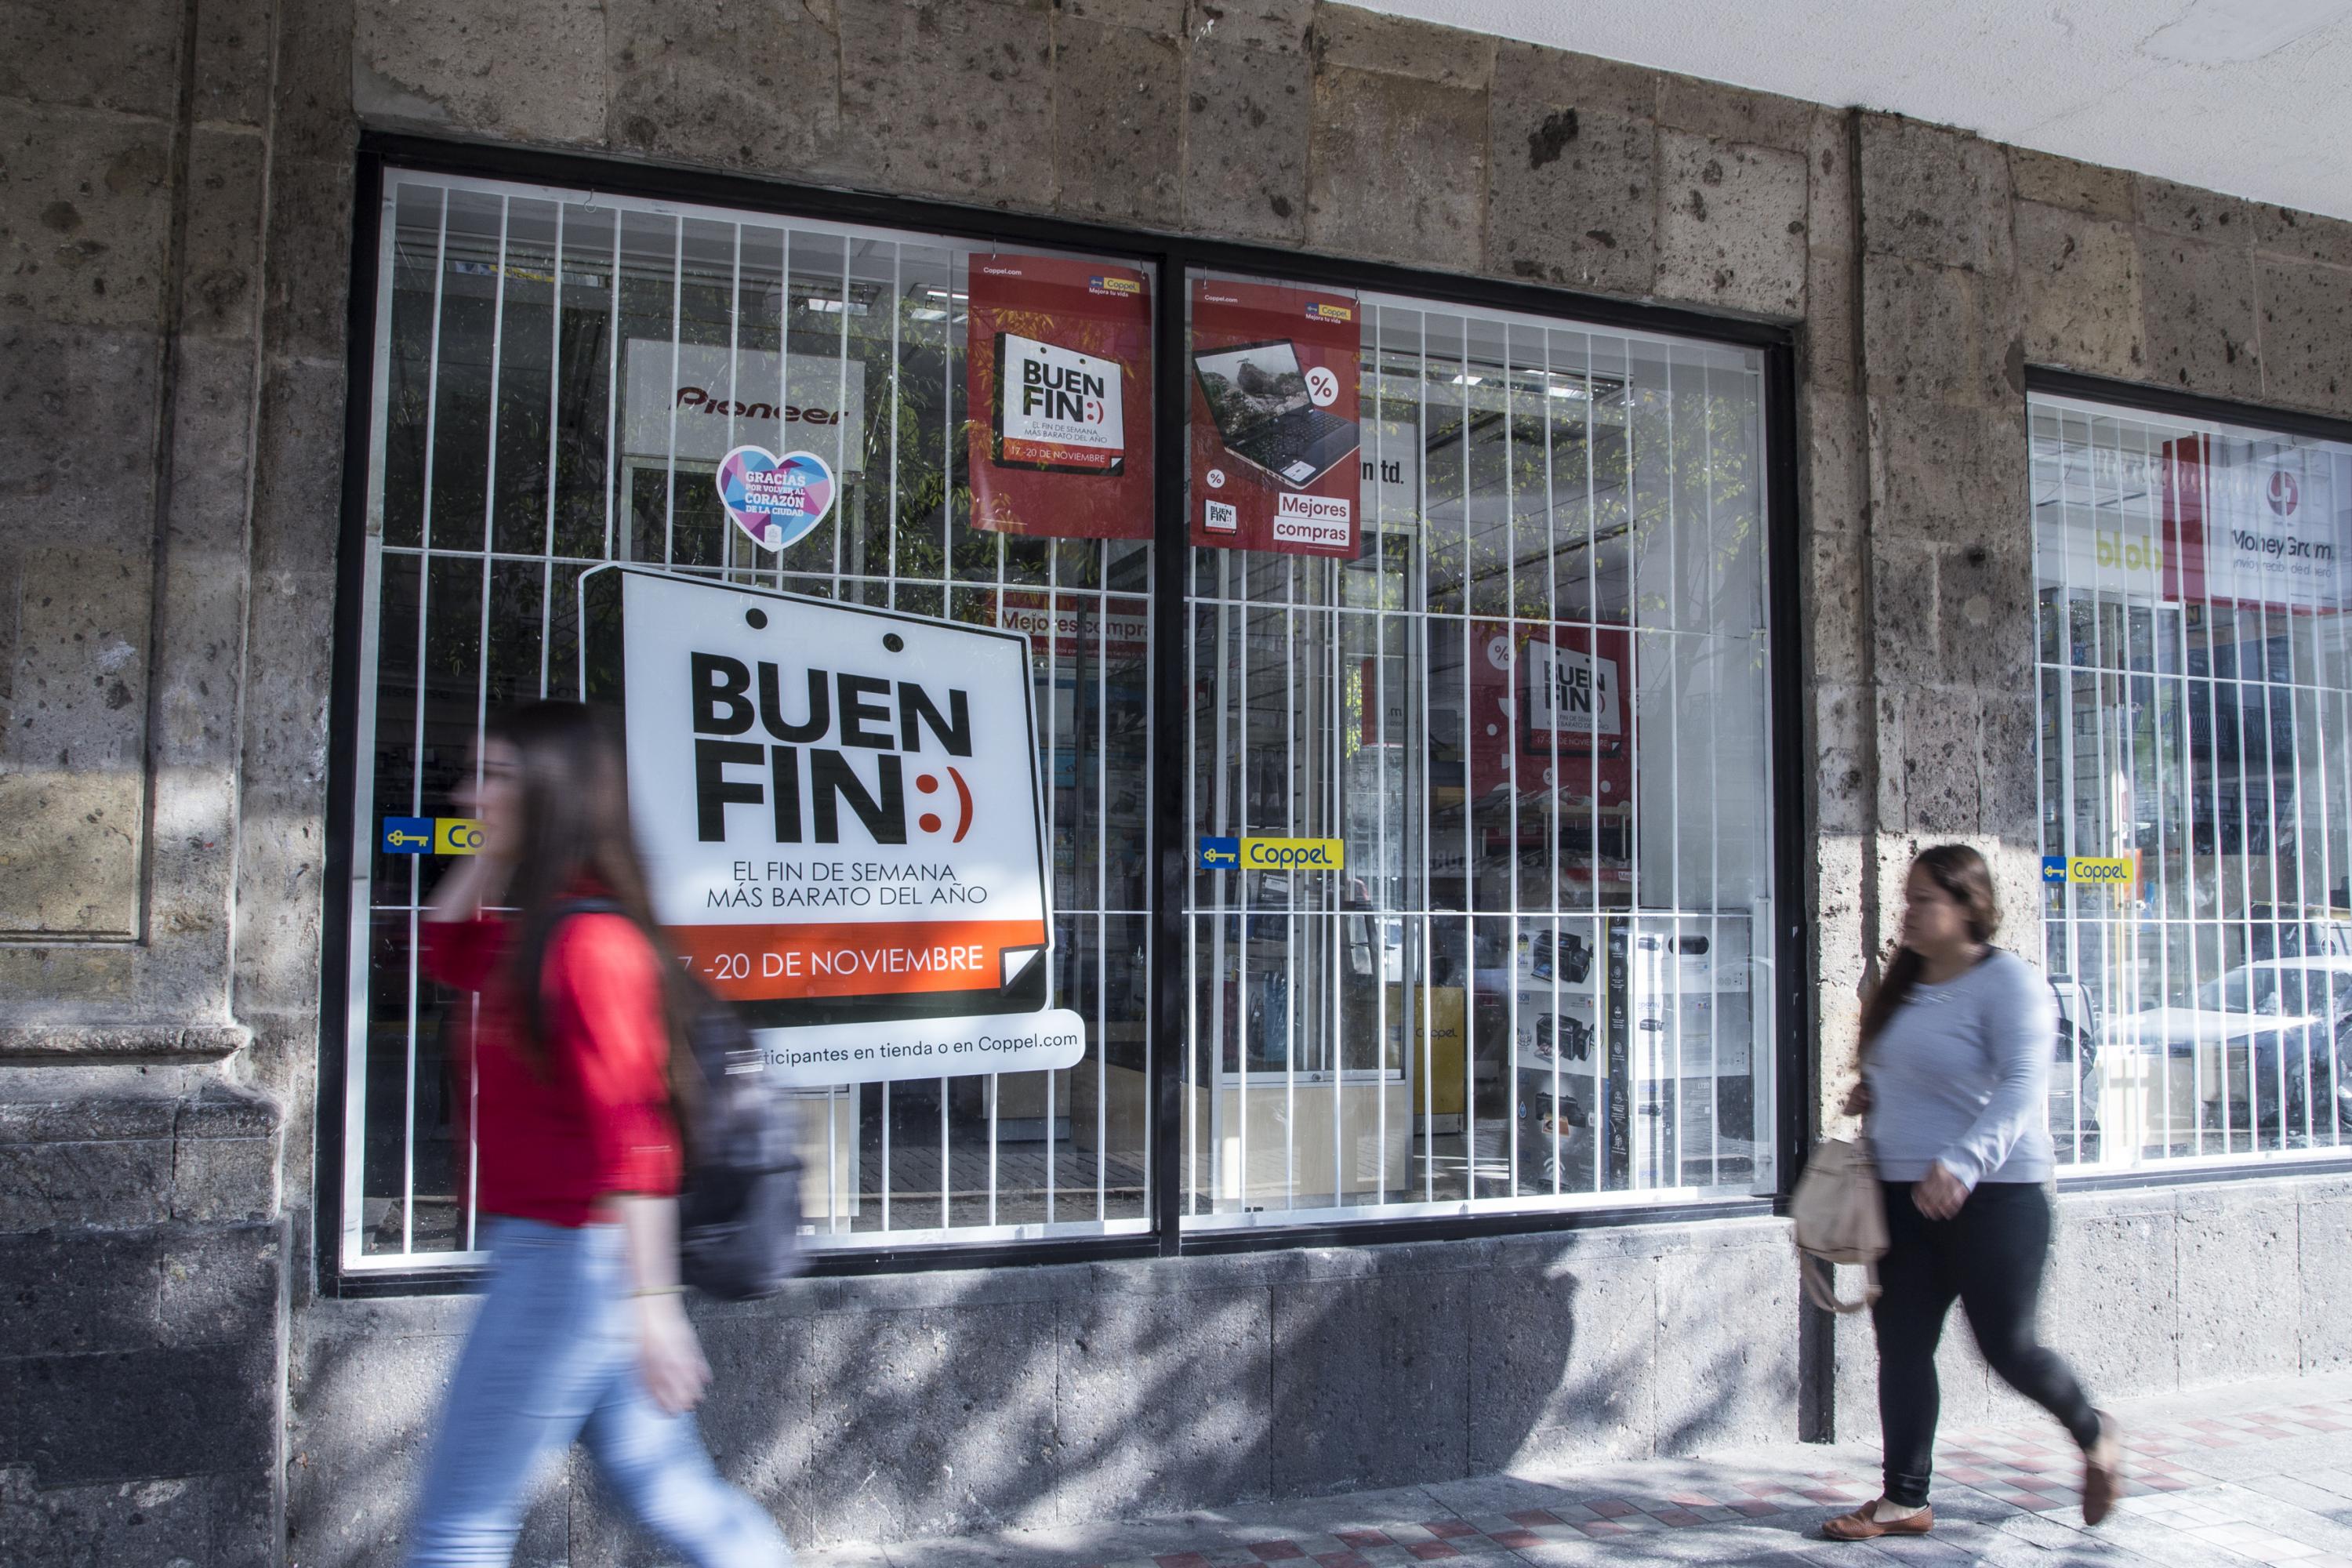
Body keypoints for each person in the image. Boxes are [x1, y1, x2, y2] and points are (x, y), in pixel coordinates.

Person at [406, 701, 790, 1568]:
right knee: (676, 1496)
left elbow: (637, 1140)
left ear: (552, 792)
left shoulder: (588, 944)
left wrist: (654, 1308)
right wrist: (488, 848)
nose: (467, 794)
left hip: (567, 1262)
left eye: (495, 775)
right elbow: (444, 950)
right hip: (566, 1259)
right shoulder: (541, 927)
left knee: (457, 1526)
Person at [1823, 844, 2122, 1541]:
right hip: (1902, 1195)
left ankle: (2094, 1431)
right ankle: (1905, 1500)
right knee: (1901, 1346)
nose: (1909, 912)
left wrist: (1963, 1163)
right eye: (1908, 898)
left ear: (1968, 906)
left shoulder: (2010, 983)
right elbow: (1913, 1071)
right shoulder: (1905, 980)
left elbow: (2022, 1086)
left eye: (1925, 900)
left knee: (2008, 1347)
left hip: (1995, 1195)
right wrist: (1875, 1092)